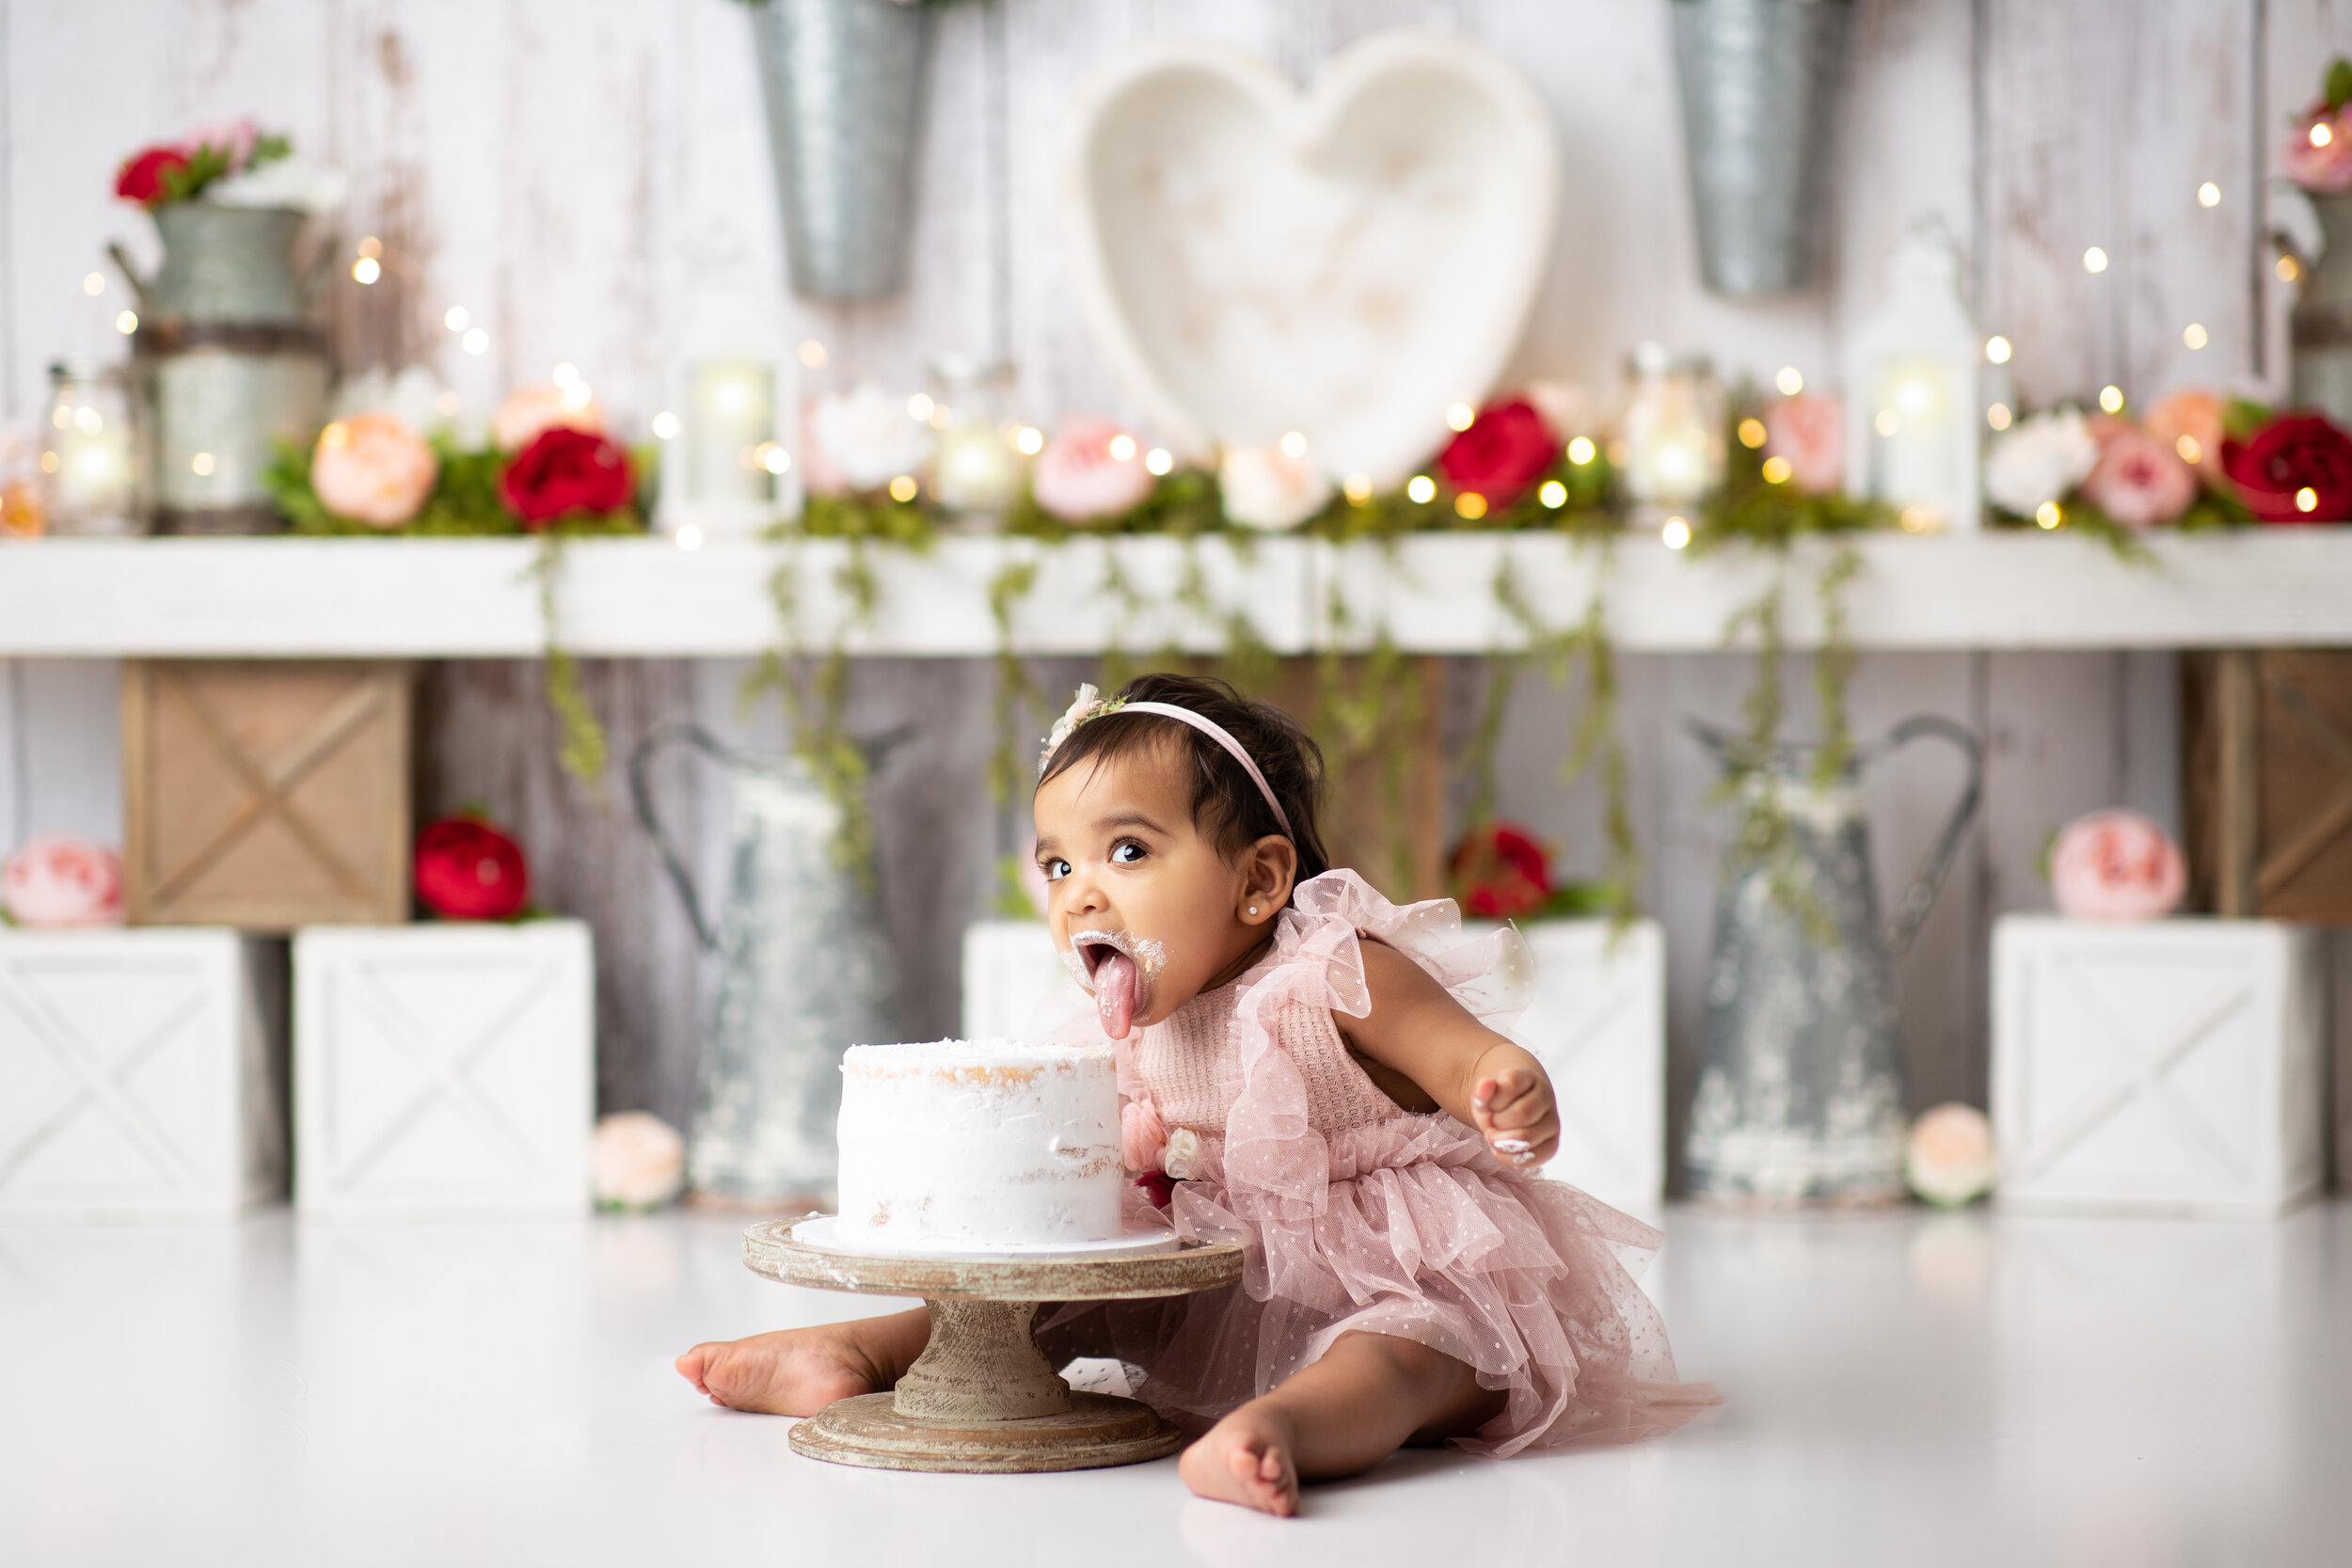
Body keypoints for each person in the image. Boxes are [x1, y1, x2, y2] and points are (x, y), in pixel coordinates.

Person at [677, 673, 1720, 1515]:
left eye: (1126, 850)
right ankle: (855, 1348)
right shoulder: (1131, 1013)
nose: (1080, 889)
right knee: (1047, 1300)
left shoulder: (1330, 973)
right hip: (1222, 1260)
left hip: (1395, 1262)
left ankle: (1283, 1431)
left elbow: (1456, 1049)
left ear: (1259, 881)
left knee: (1405, 1357)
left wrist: (1498, 1082)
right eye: (1056, 863)